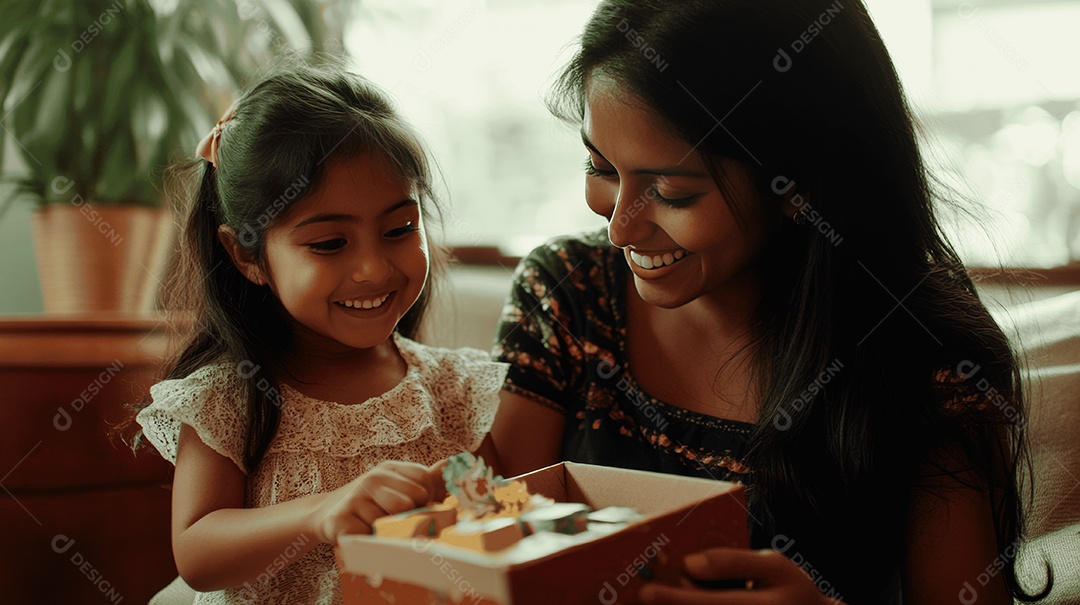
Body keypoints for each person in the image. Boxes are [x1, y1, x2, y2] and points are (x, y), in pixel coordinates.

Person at [490, 1, 1051, 603]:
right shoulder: (567, 295)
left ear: (797, 183)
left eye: (672, 192)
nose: (619, 227)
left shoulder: (928, 361)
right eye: (600, 167)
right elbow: (492, 535)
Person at [127, 66, 507, 604]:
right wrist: (318, 512)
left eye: (399, 229)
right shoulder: (230, 397)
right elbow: (197, 555)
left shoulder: (453, 388)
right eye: (330, 243)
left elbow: (498, 526)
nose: (374, 269)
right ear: (247, 255)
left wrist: (465, 503)